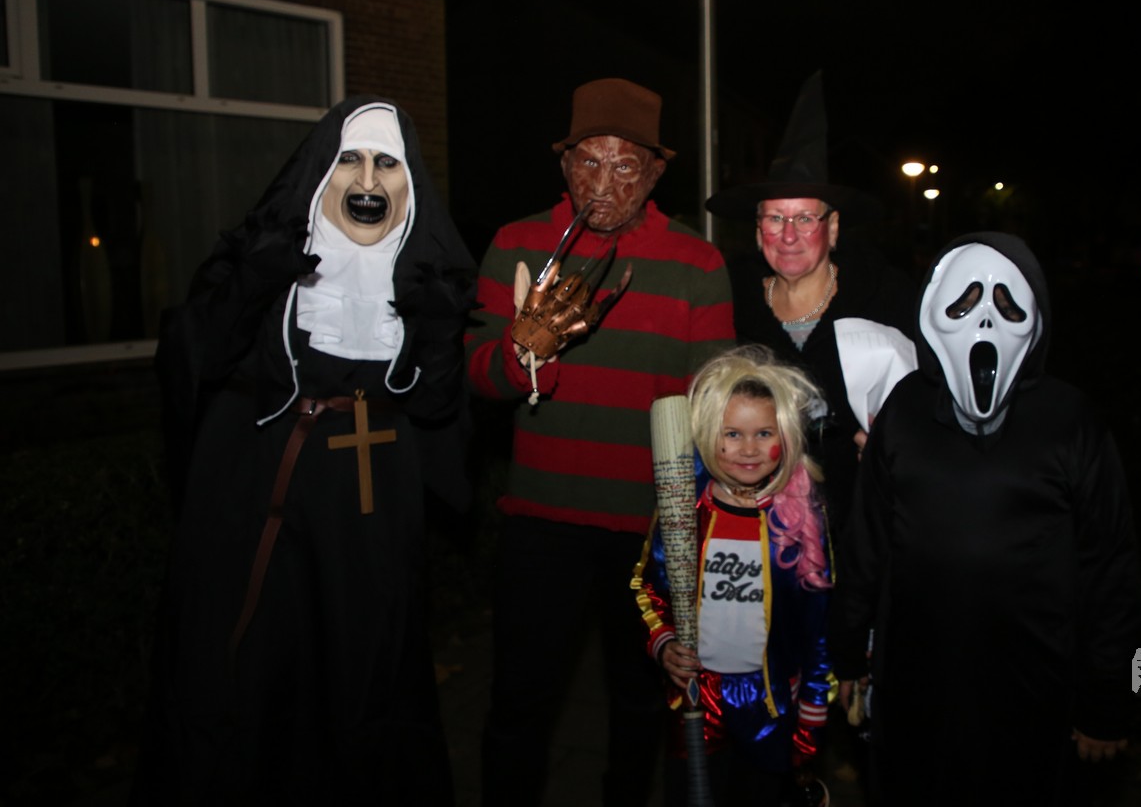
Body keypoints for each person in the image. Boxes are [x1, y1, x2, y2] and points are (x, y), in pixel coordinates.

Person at [133, 97, 477, 805]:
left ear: (410, 183)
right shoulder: (268, 257)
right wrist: (249, 287)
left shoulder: (427, 283)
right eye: (349, 159)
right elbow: (191, 362)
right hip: (263, 507)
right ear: (321, 173)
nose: (368, 180)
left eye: (388, 164)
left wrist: (441, 335)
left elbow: (437, 411)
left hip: (369, 516)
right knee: (249, 674)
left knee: (365, 676)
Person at [466, 77, 735, 806]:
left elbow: (712, 403)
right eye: (589, 160)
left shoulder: (698, 264)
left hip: (649, 532)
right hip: (540, 521)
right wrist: (522, 354)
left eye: (625, 165)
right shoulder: (516, 244)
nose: (604, 182)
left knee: (640, 706)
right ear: (564, 164)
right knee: (519, 703)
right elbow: (475, 375)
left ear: (654, 174)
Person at [831, 232, 1141, 805]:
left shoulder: (1070, 420)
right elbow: (866, 544)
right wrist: (848, 654)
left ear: (1036, 318)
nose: (983, 321)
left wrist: (1107, 701)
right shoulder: (904, 411)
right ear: (931, 311)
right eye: (964, 301)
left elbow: (1110, 568)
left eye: (1006, 305)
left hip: (1035, 690)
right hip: (916, 687)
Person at [704, 70, 913, 542]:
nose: (789, 235)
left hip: (862, 525)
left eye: (804, 218)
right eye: (775, 219)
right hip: (754, 528)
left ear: (832, 228)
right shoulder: (730, 301)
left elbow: (930, 399)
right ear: (758, 231)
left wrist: (895, 444)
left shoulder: (884, 298)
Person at [635, 345, 833, 807]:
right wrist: (663, 641)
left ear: (785, 435)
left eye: (764, 433)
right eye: (732, 434)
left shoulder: (798, 524)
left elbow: (818, 629)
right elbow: (647, 587)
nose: (748, 449)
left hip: (769, 704)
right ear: (709, 434)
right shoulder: (688, 511)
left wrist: (812, 713)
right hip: (697, 697)